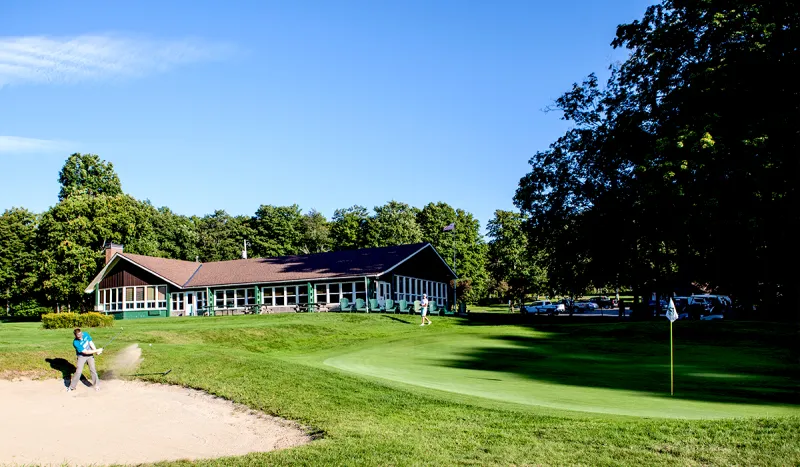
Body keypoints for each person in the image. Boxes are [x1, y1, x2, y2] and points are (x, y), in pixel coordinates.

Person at [67, 328, 103, 392]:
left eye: (81, 335)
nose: (81, 337)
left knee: (93, 369)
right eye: (79, 336)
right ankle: (72, 387)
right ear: (75, 336)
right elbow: (85, 352)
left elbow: (91, 343)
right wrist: (97, 350)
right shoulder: (75, 343)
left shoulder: (86, 334)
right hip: (81, 356)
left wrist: (96, 351)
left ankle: (96, 385)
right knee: (78, 371)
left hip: (90, 356)